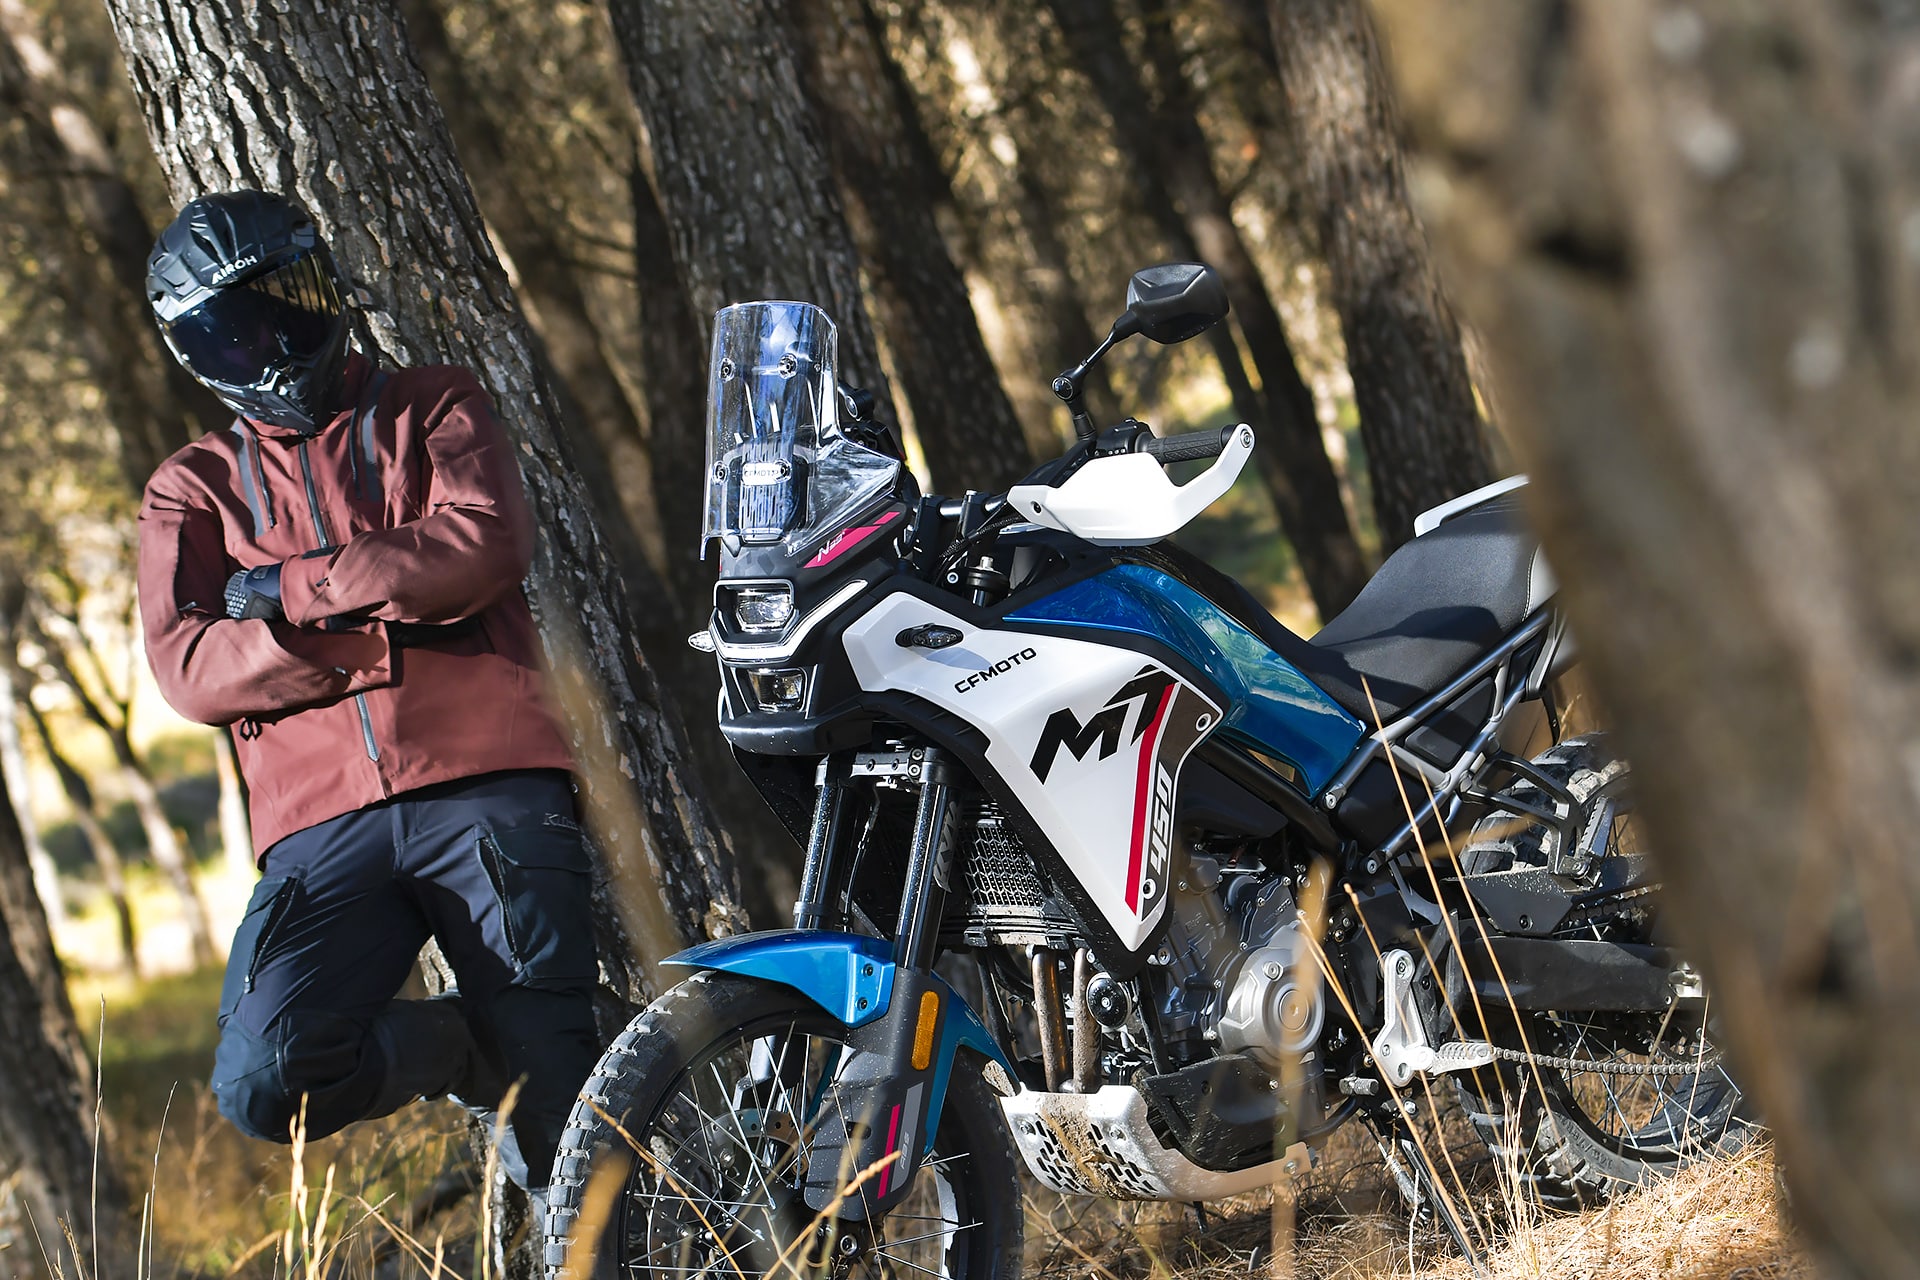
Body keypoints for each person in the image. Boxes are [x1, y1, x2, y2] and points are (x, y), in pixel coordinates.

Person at [136, 189, 600, 1196]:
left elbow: (479, 546)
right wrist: (371, 627)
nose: (269, 349)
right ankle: (466, 1050)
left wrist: (288, 590)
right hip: (319, 826)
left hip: (488, 783)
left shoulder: (435, 404)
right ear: (194, 353)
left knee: (564, 1107)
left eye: (286, 308)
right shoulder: (190, 488)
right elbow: (189, 667)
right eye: (231, 332)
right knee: (266, 1076)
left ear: (327, 290)